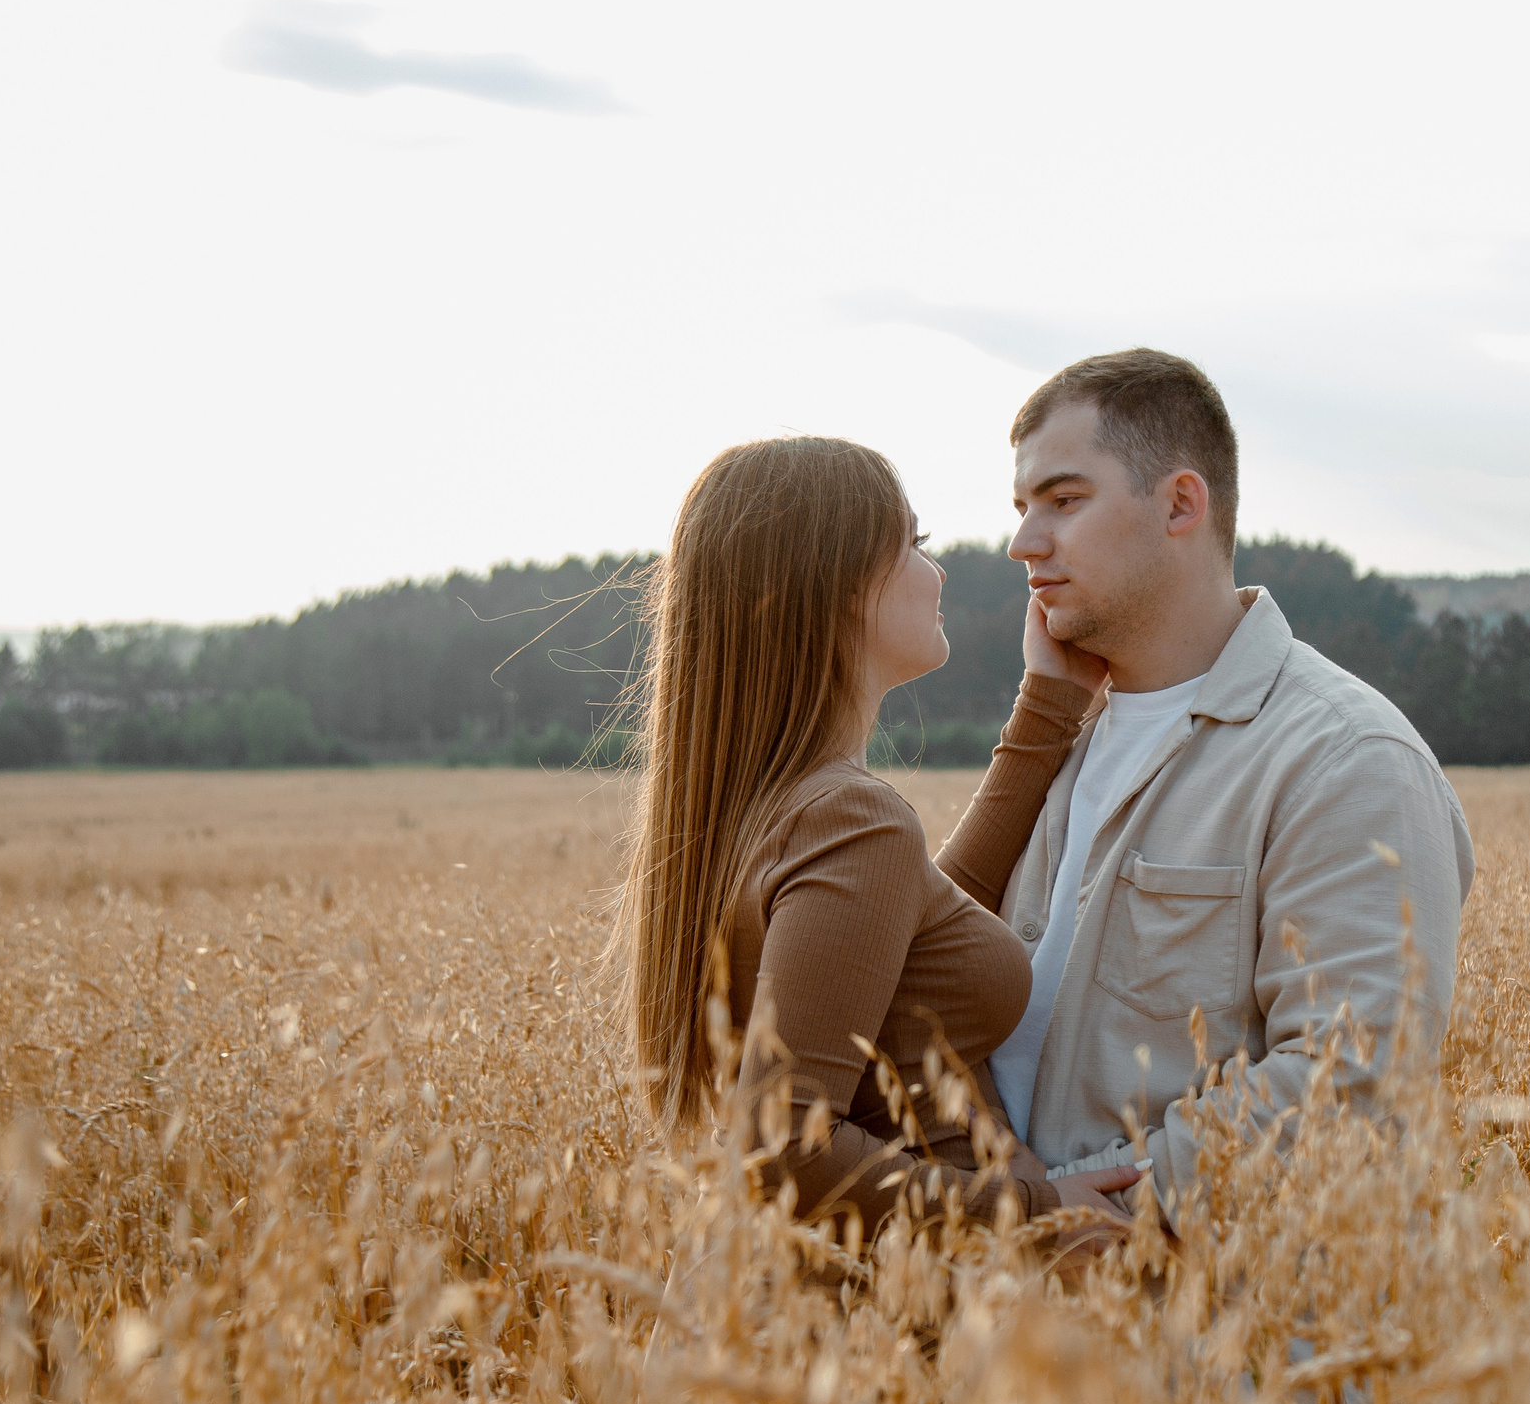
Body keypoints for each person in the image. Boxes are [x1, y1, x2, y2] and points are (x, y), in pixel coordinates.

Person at [974, 349, 1474, 1215]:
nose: (1023, 542)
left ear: (1180, 503)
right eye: (1022, 509)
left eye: (1063, 500)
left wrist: (1062, 1216)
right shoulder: (1064, 736)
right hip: (1012, 1320)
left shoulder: (1345, 758)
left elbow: (1347, 1087)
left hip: (1200, 1326)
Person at [616, 435, 1140, 1242]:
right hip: (864, 1333)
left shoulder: (782, 807)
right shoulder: (849, 818)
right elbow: (782, 1149)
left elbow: (909, 935)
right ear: (831, 586)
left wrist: (1048, 704)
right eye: (913, 545)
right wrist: (1038, 1211)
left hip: (801, 1325)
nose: (938, 571)